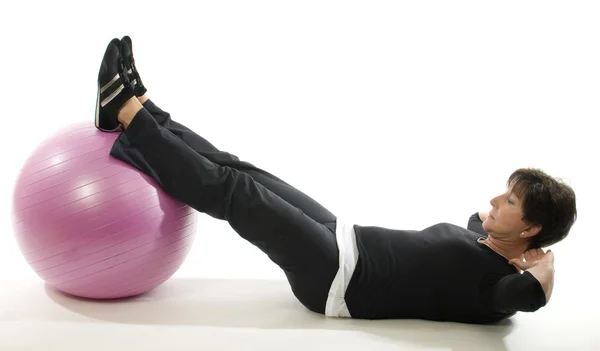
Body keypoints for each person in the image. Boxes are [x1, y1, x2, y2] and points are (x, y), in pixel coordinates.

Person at [95, 36, 577, 324]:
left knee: (235, 194)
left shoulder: (498, 290)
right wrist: (513, 234)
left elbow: (528, 296)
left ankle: (126, 113)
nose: (495, 198)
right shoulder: (488, 241)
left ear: (533, 229)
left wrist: (545, 264)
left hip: (335, 279)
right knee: (242, 170)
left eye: (510, 200)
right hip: (340, 235)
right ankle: (148, 110)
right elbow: (479, 219)